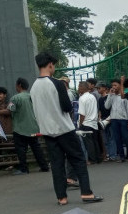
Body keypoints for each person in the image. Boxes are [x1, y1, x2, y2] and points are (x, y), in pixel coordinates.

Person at [30, 52, 102, 205]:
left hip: (48, 132)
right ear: (50, 65)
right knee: (78, 160)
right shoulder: (56, 83)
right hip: (64, 129)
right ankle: (86, 193)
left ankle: (61, 197)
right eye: (54, 65)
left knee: (57, 164)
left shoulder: (34, 87)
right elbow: (67, 107)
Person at [8, 77, 49, 174]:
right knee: (36, 147)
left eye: (16, 85)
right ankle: (44, 166)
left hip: (20, 129)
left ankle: (24, 169)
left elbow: (9, 110)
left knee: (21, 149)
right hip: (33, 127)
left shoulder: (15, 98)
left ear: (19, 85)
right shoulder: (33, 97)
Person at [105, 77, 128, 162]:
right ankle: (121, 156)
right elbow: (107, 106)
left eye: (115, 85)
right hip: (114, 119)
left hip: (124, 119)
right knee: (117, 138)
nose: (114, 87)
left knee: (126, 137)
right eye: (112, 85)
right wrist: (109, 95)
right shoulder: (112, 95)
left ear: (120, 86)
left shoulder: (125, 94)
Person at [77, 81, 99, 165]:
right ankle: (97, 158)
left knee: (88, 143)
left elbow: (82, 114)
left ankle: (91, 159)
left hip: (86, 123)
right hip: (93, 122)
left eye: (79, 87)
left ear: (83, 88)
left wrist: (80, 124)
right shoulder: (92, 96)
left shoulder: (82, 98)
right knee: (94, 142)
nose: (78, 89)